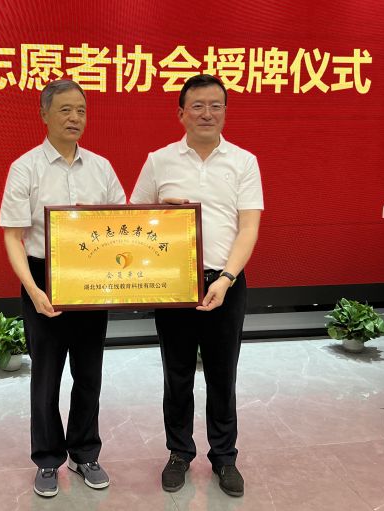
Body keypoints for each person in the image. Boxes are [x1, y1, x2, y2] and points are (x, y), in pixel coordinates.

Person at [130, 74, 263, 497]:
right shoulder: (159, 160)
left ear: (225, 111)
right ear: (181, 113)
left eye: (216, 105)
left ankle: (224, 457)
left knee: (223, 375)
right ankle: (179, 453)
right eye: (198, 106)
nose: (208, 113)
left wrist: (226, 278)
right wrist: (159, 210)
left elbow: (249, 227)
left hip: (227, 281)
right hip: (175, 284)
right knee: (177, 375)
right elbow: (132, 220)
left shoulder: (244, 161)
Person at [0, 79, 126, 498]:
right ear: (44, 114)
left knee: (89, 373)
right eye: (65, 110)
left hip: (91, 279)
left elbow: (124, 224)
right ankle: (48, 459)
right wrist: (33, 290)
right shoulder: (25, 167)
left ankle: (85, 452)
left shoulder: (101, 168)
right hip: (44, 279)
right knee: (47, 376)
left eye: (82, 110)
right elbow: (13, 236)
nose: (75, 118)